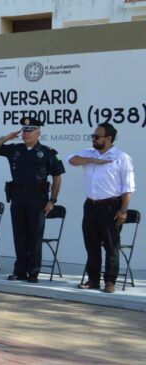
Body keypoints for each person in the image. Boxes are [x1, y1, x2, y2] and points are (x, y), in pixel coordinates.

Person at [0, 117, 64, 283]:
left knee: (35, 237)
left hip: (38, 200)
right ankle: (20, 271)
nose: (26, 134)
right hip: (18, 198)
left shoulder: (48, 152)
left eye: (30, 131)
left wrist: (53, 200)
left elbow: (57, 177)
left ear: (38, 133)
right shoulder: (15, 149)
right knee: (20, 235)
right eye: (24, 131)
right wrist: (8, 137)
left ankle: (33, 272)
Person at [68, 123, 135, 293]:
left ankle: (110, 281)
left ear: (108, 138)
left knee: (111, 246)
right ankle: (93, 280)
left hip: (111, 206)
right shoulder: (88, 153)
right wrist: (92, 160)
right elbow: (71, 160)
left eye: (97, 136)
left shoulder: (122, 157)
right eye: (93, 136)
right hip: (91, 205)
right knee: (92, 245)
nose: (93, 139)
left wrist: (123, 210)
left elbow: (128, 188)